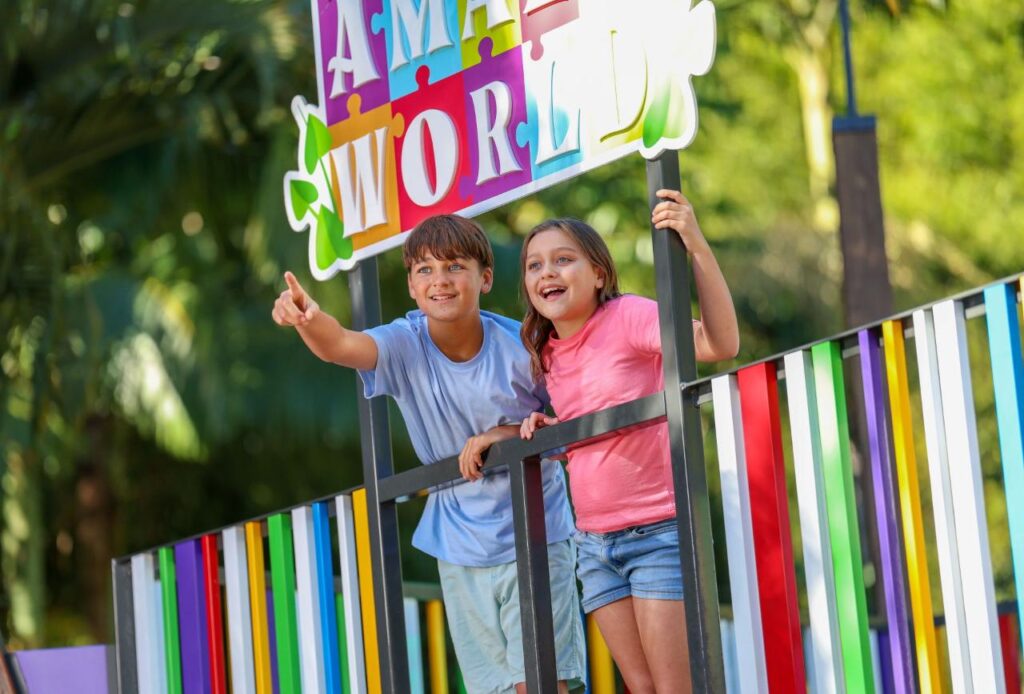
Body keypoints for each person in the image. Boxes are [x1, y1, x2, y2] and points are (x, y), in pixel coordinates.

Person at [272, 215, 585, 694]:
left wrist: (500, 435)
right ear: (413, 288)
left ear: (484, 277)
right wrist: (309, 318)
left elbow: (571, 425)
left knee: (542, 685)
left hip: (535, 531)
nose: (439, 280)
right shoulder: (405, 342)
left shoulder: (523, 348)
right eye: (425, 270)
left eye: (455, 266)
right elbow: (339, 346)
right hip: (459, 544)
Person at [519, 190, 739, 694]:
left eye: (563, 259)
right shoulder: (545, 353)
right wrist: (559, 430)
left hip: (656, 532)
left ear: (599, 273)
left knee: (674, 687)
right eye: (535, 265)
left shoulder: (628, 317)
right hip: (593, 545)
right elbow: (593, 416)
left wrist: (696, 244)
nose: (547, 272)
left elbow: (719, 345)